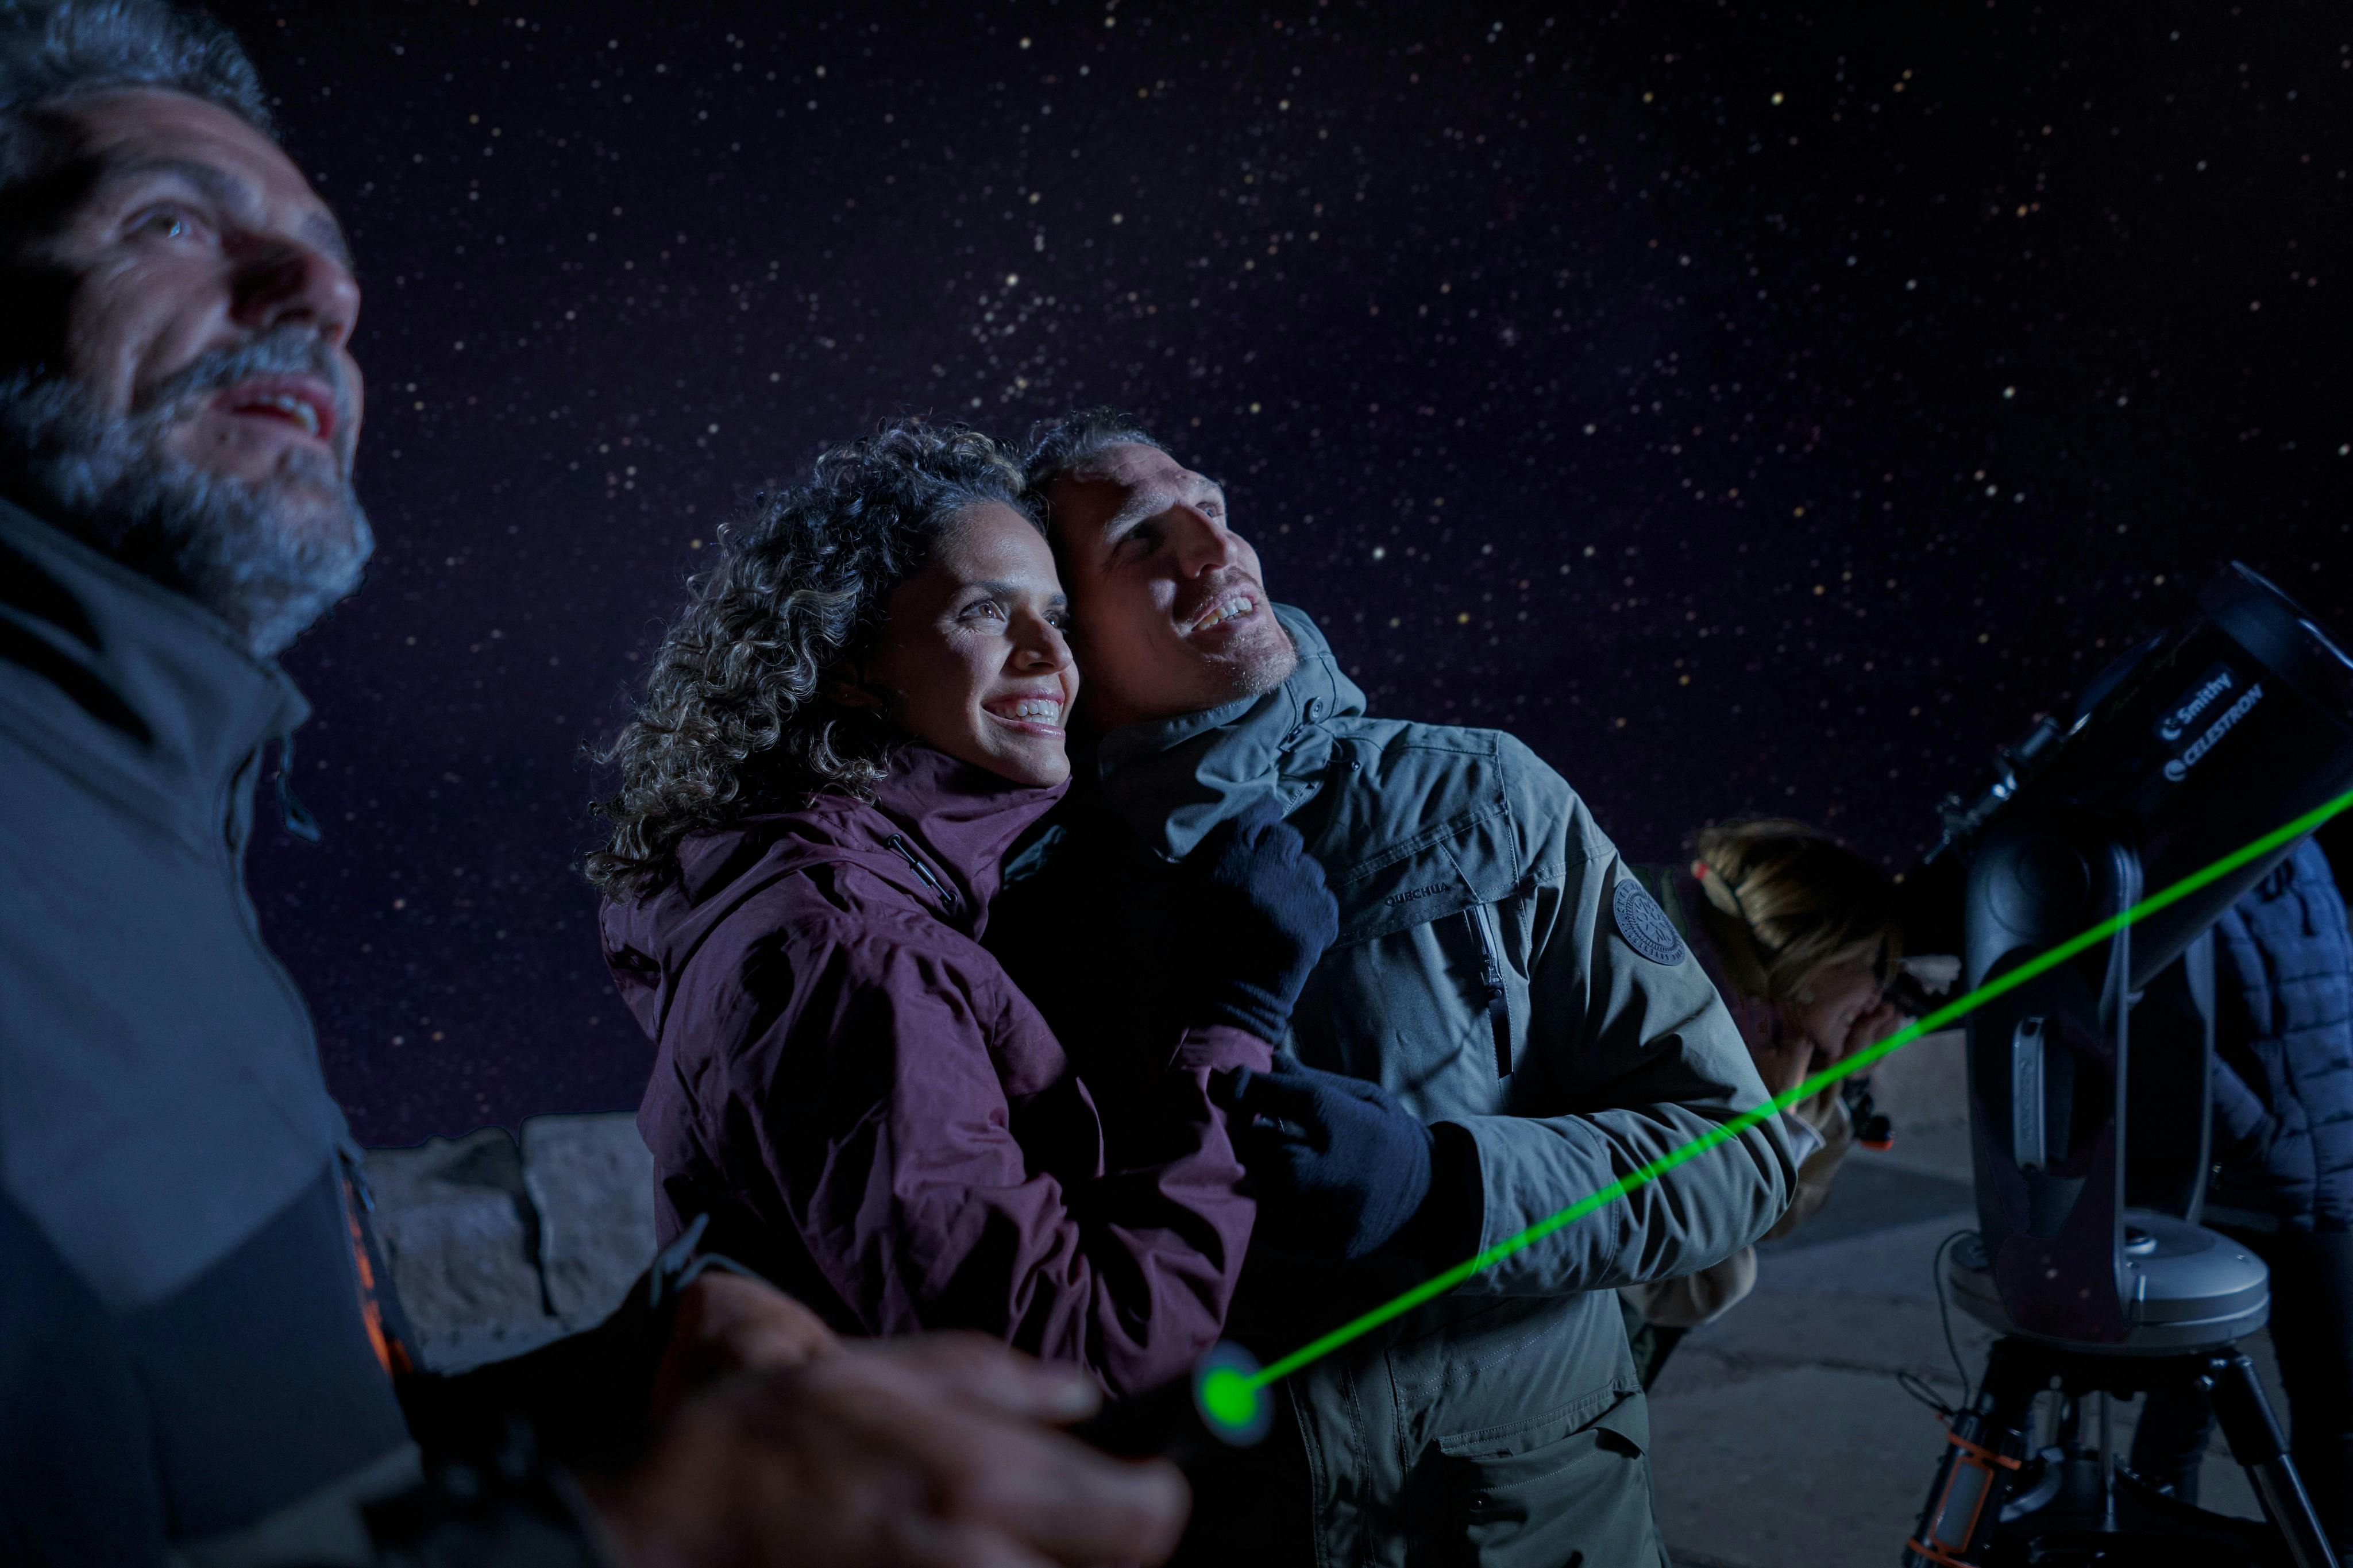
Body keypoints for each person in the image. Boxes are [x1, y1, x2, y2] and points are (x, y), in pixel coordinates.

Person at [0, 6, 1187, 1565]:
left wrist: (617, 1388)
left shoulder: (150, 847)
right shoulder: (835, 922)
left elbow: (232, 1467)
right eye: (163, 217)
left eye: (328, 249)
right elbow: (1088, 1337)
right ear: (852, 663)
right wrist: (631, 1536)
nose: (327, 294)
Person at [985, 408, 1800, 1567]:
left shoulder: (1481, 800)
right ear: (1063, 629)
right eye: (1141, 545)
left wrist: (1444, 1186)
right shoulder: (1033, 907)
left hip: (1519, 1524)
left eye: (1210, 513)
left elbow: (1734, 1156)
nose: (1213, 556)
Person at [591, 420, 1336, 1398]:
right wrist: (1229, 1025)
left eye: (1058, 618)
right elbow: (1079, 1355)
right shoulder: (848, 950)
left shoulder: (833, 887)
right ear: (854, 662)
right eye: (987, 612)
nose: (1046, 656)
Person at [1614, 819, 1906, 1388]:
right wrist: (1764, 1124)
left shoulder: (1747, 1048)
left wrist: (1827, 1078)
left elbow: (1778, 1216)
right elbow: (1687, 1291)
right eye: (1867, 962)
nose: (1877, 995)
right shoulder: (1672, 1059)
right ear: (1806, 956)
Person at [2127, 839, 2353, 1555]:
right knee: (2182, 1406)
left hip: (2327, 1172)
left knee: (2335, 1411)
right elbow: (2159, 1021)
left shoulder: (2308, 844)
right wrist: (2255, 1137)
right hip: (2240, 1184)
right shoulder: (2193, 845)